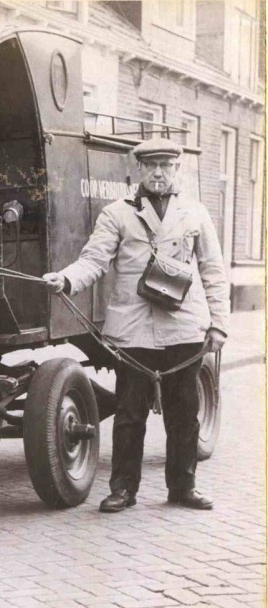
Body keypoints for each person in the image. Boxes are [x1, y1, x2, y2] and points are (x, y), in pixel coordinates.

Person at [43, 137, 229, 513]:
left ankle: (183, 487)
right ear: (139, 170)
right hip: (133, 331)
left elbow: (213, 270)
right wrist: (65, 279)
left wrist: (218, 325)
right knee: (129, 415)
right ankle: (123, 489)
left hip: (185, 329)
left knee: (184, 414)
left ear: (176, 169)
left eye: (166, 166)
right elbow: (94, 260)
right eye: (151, 166)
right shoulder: (116, 213)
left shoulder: (195, 213)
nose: (158, 173)